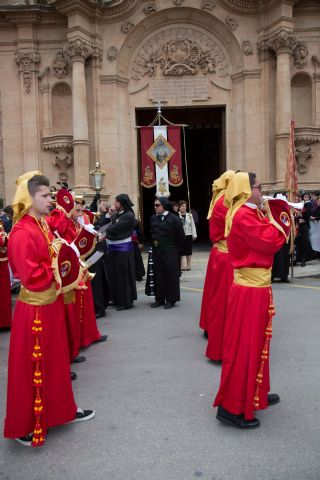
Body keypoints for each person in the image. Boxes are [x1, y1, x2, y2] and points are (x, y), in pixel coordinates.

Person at [4, 172, 94, 447]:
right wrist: (65, 270)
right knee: (33, 369)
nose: (50, 201)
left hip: (50, 305)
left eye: (49, 195)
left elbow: (55, 256)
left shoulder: (41, 224)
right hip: (35, 314)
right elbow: (32, 276)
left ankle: (62, 411)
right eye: (44, 196)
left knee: (56, 363)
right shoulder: (21, 232)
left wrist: (68, 265)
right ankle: (24, 425)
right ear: (28, 198)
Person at [213, 172, 290, 429]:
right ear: (247, 190)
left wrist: (273, 214)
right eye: (259, 188)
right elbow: (271, 241)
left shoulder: (251, 211)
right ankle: (232, 407)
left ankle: (255, 390)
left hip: (256, 287)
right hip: (249, 290)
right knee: (245, 346)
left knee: (258, 343)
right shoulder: (244, 215)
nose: (262, 192)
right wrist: (284, 221)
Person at [199, 170, 235, 360]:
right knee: (220, 297)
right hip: (225, 253)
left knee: (214, 293)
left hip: (219, 252)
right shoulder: (225, 201)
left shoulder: (221, 198)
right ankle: (215, 330)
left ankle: (209, 327)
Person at [148, 197, 185, 309]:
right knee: (158, 274)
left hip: (170, 251)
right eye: (154, 205)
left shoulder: (174, 219)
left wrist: (176, 251)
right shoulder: (153, 218)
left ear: (164, 205)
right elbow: (151, 233)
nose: (155, 207)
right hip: (157, 251)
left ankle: (171, 299)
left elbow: (181, 236)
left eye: (157, 205)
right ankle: (159, 298)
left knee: (170, 275)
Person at [105, 194, 137, 311]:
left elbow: (113, 229)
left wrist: (107, 232)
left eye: (116, 202)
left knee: (123, 276)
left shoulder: (128, 215)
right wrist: (111, 216)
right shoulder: (120, 214)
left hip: (123, 250)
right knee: (114, 275)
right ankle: (117, 298)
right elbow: (112, 226)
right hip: (114, 249)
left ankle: (125, 301)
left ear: (122, 203)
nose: (114, 204)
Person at [178, 200, 197, 271]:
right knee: (181, 251)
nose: (184, 207)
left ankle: (188, 265)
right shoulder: (177, 215)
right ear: (179, 207)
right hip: (180, 235)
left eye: (185, 206)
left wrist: (194, 234)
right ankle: (181, 265)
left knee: (188, 251)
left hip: (188, 234)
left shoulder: (190, 215)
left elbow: (193, 225)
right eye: (182, 206)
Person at [0, 220, 12, 329]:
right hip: (3, 265)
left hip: (3, 265)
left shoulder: (1, 226)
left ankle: (4, 321)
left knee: (3, 293)